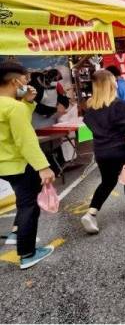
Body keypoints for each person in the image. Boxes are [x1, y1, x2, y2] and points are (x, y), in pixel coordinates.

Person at [0, 62, 56, 269]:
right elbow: (25, 140)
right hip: (21, 165)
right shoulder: (14, 107)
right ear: (15, 81)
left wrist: (29, 102)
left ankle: (20, 239)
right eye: (25, 80)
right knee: (28, 207)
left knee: (24, 204)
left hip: (5, 166)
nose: (27, 83)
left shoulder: (11, 105)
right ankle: (27, 253)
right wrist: (43, 166)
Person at [80, 70, 125, 234]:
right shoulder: (120, 105)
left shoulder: (90, 108)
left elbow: (90, 128)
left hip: (101, 150)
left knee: (107, 182)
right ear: (110, 84)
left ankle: (91, 212)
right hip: (121, 148)